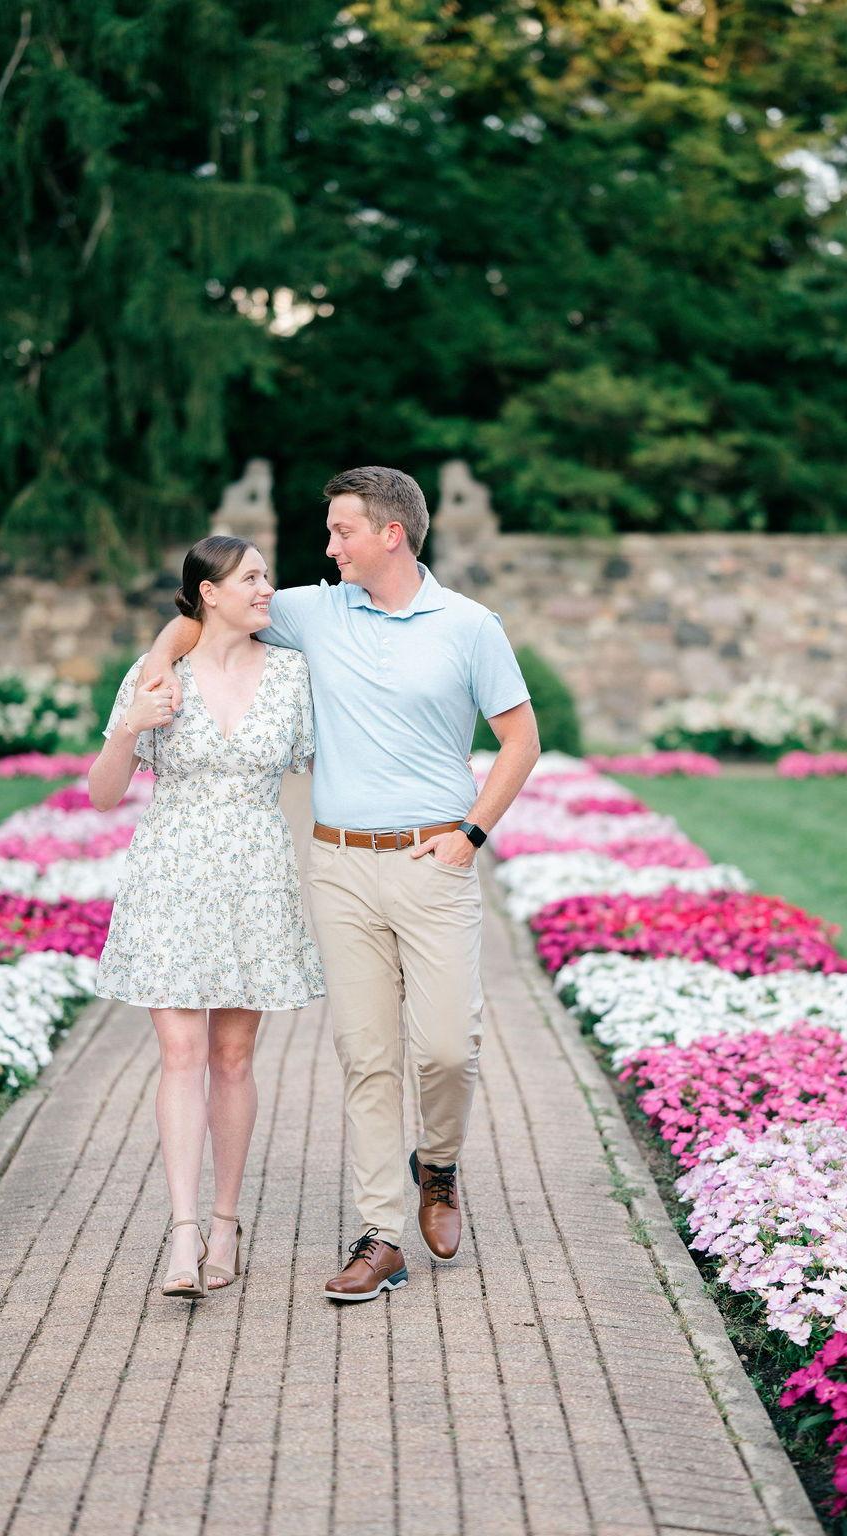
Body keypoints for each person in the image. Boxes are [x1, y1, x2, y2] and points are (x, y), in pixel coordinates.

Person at [140, 466, 540, 1302]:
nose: (328, 548)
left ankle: (438, 1163)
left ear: (391, 534)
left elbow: (520, 742)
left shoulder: (470, 627)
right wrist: (156, 664)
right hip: (339, 866)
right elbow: (204, 614)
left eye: (342, 531)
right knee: (366, 1056)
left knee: (446, 1049)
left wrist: (471, 835)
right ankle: (380, 1236)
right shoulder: (316, 611)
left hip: (434, 862)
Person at [89, 534, 323, 1301]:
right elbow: (103, 793)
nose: (266, 588)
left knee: (232, 1057)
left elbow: (332, 769)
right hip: (172, 878)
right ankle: (184, 1232)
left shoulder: (292, 674)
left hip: (254, 880)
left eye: (266, 576)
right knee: (181, 1052)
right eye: (251, 577)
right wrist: (132, 723)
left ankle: (226, 1222)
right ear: (209, 591)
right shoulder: (158, 674)